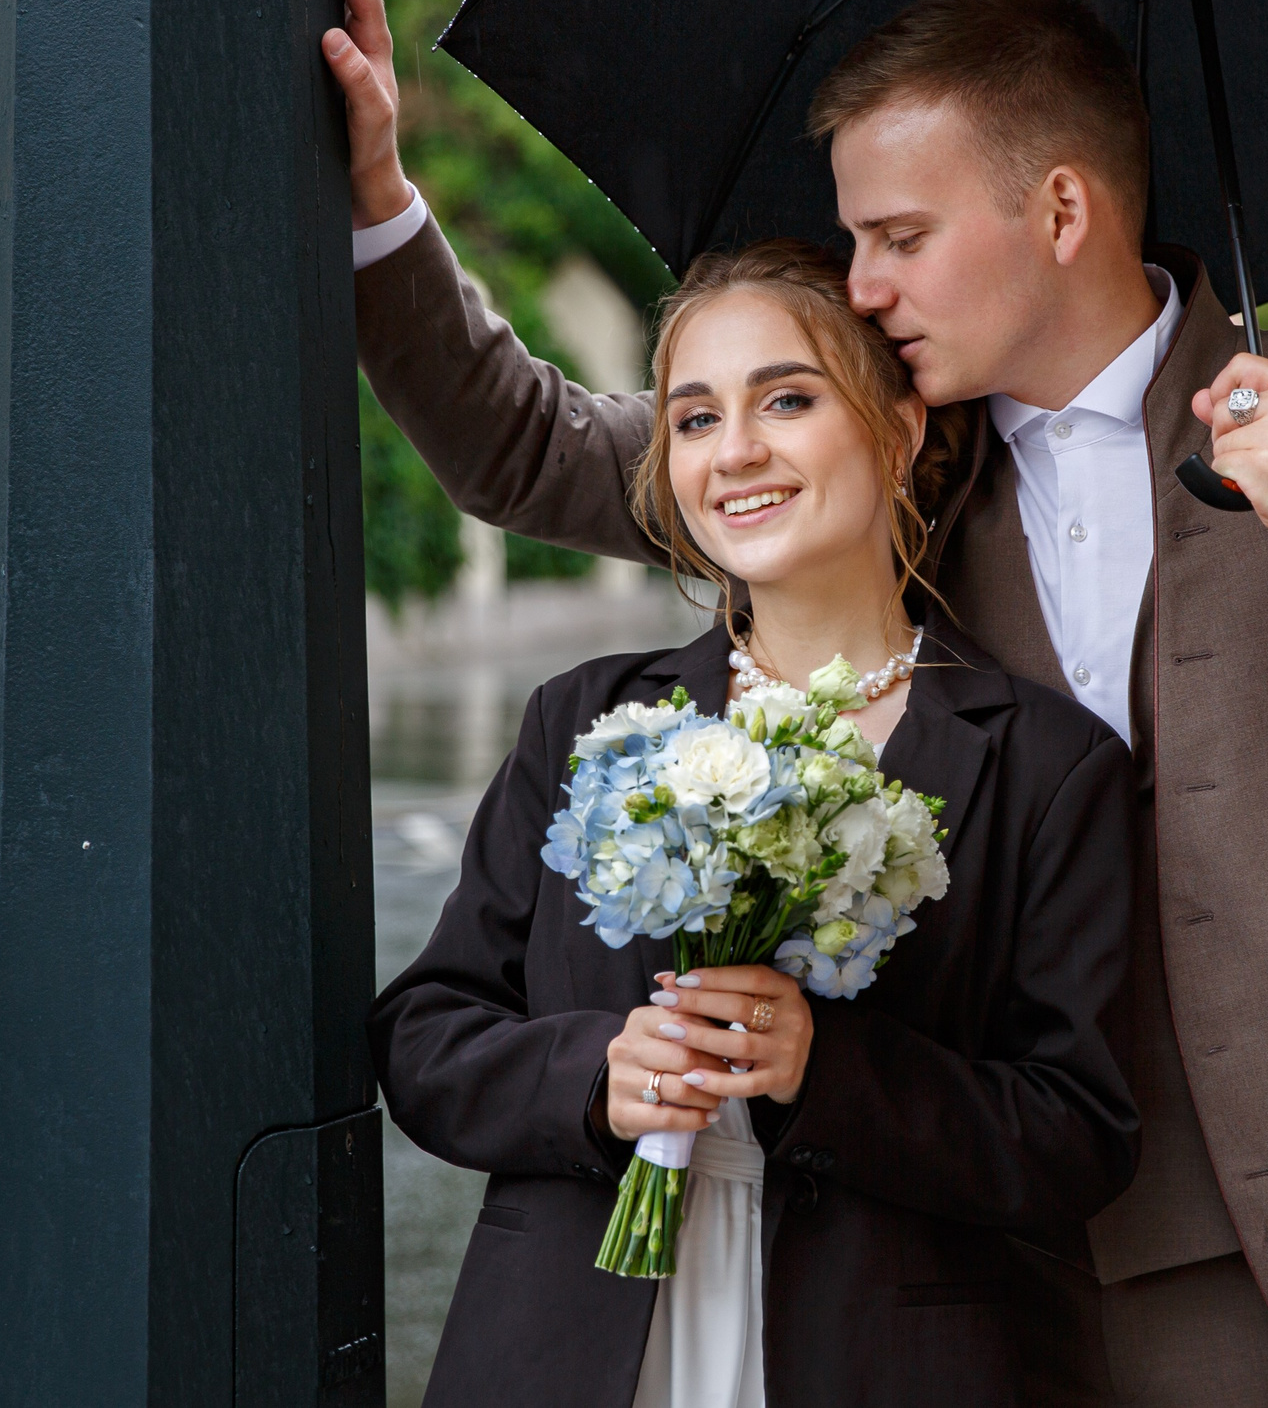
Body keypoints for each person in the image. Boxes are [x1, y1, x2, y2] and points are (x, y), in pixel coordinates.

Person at [326, 0, 1268, 1405]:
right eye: (853, 240)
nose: (859, 285)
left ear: (1059, 209)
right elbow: (529, 445)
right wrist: (379, 191)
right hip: (957, 1277)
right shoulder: (888, 449)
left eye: (899, 235)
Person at [368, 238, 1141, 1408]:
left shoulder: (1046, 763)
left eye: (786, 398)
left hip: (888, 1354)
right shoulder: (583, 719)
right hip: (567, 1349)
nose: (734, 452)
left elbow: (1078, 1134)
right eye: (691, 418)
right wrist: (595, 1073)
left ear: (900, 429)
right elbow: (427, 1037)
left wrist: (824, 1069)